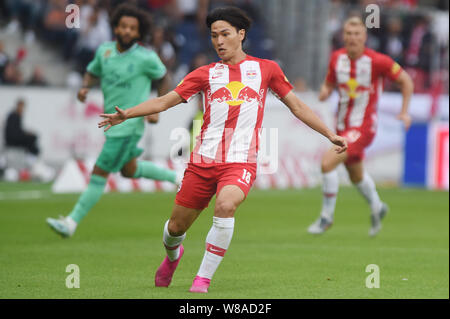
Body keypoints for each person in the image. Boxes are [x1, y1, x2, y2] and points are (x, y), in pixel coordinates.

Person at [99, 6, 347, 293]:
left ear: (241, 34)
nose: (218, 41)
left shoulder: (267, 69)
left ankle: (202, 278)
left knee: (226, 205)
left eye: (225, 34)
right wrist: (126, 113)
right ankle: (172, 256)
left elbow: (298, 106)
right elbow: (164, 101)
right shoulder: (205, 73)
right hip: (204, 161)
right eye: (214, 35)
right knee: (175, 229)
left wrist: (330, 134)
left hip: (242, 160)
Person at [46, 3, 181, 238]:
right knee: (130, 170)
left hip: (129, 126)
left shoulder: (146, 57)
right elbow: (91, 71)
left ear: (139, 33)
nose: (127, 31)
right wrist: (85, 87)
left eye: (132, 28)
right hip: (111, 125)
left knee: (100, 172)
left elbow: (164, 78)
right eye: (123, 26)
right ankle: (179, 177)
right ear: (115, 28)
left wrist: (156, 109)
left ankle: (71, 222)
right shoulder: (104, 51)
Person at [307, 16, 414, 237]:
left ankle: (326, 217)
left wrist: (404, 111)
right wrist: (325, 91)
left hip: (364, 127)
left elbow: (406, 81)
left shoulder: (378, 61)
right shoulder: (337, 58)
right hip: (342, 125)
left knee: (327, 163)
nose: (353, 38)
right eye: (349, 33)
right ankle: (377, 206)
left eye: (357, 34)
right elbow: (329, 81)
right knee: (355, 175)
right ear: (343, 36)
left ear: (364, 37)